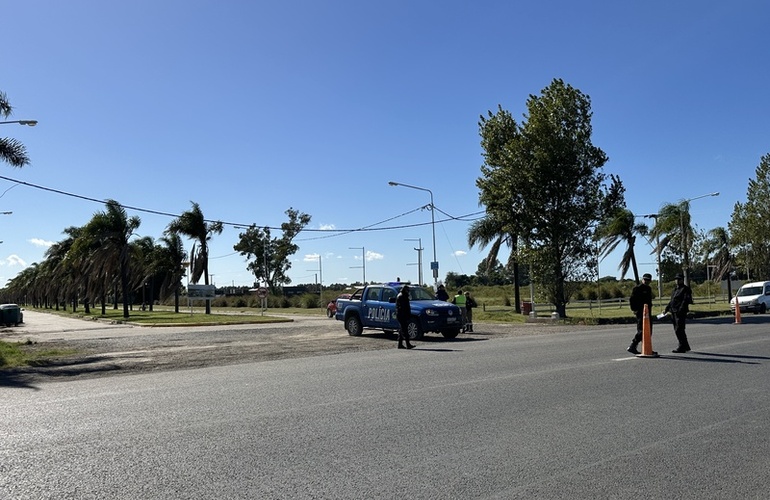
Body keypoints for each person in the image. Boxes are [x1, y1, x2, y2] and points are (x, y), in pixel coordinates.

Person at [627, 273, 655, 354]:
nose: (646, 281)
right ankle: (633, 345)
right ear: (642, 279)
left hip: (648, 312)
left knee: (648, 331)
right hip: (640, 312)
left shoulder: (649, 289)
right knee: (641, 330)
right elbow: (632, 299)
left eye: (648, 280)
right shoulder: (637, 288)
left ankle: (646, 347)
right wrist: (634, 309)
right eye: (645, 279)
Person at [665, 273, 693, 353]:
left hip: (680, 312)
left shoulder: (685, 289)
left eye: (679, 279)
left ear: (682, 280)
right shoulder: (675, 289)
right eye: (676, 279)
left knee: (679, 329)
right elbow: (672, 300)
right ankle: (686, 346)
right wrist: (667, 309)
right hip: (673, 311)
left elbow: (685, 300)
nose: (677, 281)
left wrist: (680, 310)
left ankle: (681, 346)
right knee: (677, 329)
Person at [396, 284, 415, 349]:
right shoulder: (402, 296)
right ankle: (408, 344)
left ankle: (400, 344)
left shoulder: (402, 295)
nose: (408, 291)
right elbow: (404, 307)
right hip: (402, 315)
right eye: (408, 290)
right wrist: (406, 315)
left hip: (401, 314)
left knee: (402, 329)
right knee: (405, 330)